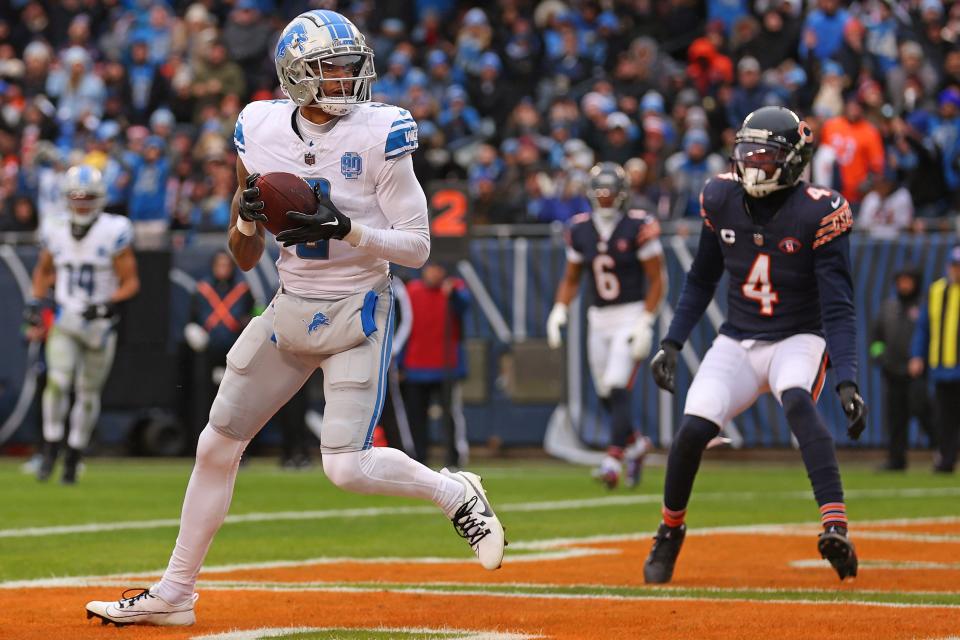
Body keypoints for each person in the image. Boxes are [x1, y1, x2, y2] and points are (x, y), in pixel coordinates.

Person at [85, 10, 505, 627]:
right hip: (290, 303)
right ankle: (176, 593)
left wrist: (347, 227)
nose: (344, 79)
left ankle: (455, 492)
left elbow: (418, 247)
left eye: (348, 66)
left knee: (344, 467)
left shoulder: (380, 131)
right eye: (328, 69)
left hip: (357, 305)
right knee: (214, 446)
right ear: (294, 75)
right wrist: (249, 216)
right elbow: (244, 250)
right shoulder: (257, 126)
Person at [644, 106, 867, 584]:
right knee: (690, 431)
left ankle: (835, 523)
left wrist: (847, 377)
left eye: (766, 155)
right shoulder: (720, 196)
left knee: (797, 402)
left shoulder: (819, 211)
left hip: (798, 336)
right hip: (739, 339)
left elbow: (839, 308)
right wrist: (672, 342)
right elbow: (701, 278)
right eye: (748, 153)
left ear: (792, 161)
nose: (754, 164)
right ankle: (669, 530)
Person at [546, 162, 664, 489]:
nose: (605, 199)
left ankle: (613, 459)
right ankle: (636, 443)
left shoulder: (639, 225)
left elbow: (657, 279)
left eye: (611, 193)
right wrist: (559, 308)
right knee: (604, 392)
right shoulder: (580, 228)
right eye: (600, 193)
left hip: (630, 312)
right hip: (598, 318)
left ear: (623, 195)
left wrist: (645, 320)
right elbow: (571, 277)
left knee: (615, 384)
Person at [24, 164, 140, 484]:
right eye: (76, 197)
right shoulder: (55, 229)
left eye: (88, 197)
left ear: (100, 199)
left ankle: (74, 454)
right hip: (66, 317)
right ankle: (50, 448)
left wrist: (106, 303)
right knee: (58, 382)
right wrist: (36, 301)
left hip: (100, 325)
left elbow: (131, 282)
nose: (82, 203)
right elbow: (43, 270)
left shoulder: (113, 230)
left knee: (87, 392)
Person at [399, 261, 471, 468]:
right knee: (416, 417)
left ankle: (453, 458)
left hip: (446, 367)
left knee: (450, 417)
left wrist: (453, 294)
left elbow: (464, 305)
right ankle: (419, 458)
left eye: (438, 269)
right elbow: (403, 327)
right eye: (431, 268)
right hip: (415, 367)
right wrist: (401, 364)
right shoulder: (411, 291)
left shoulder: (454, 288)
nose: (434, 273)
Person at [870, 266, 934, 470]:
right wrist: (880, 356)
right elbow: (876, 338)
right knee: (895, 419)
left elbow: (929, 337)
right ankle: (896, 460)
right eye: (901, 280)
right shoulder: (888, 307)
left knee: (923, 410)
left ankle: (943, 451)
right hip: (892, 372)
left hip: (916, 372)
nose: (904, 285)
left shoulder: (924, 306)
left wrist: (922, 359)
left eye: (908, 280)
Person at [909, 247, 960, 474]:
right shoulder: (936, 291)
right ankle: (945, 459)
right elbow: (923, 328)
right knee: (942, 417)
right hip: (940, 367)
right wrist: (917, 355)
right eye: (954, 265)